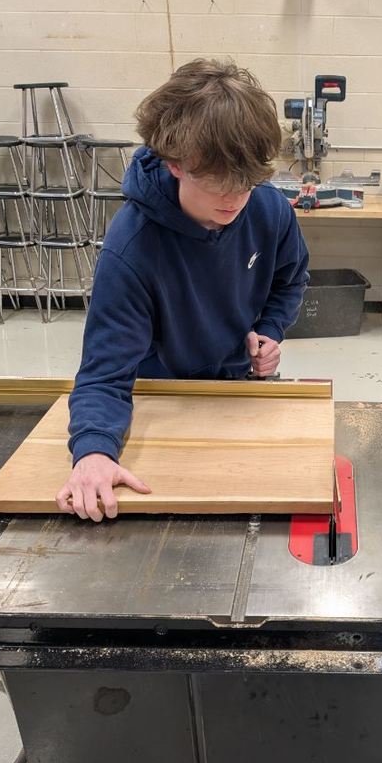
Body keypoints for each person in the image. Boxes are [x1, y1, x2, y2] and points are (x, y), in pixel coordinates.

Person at [56, 59, 309, 522]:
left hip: (239, 390)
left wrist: (269, 329)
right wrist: (93, 451)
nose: (234, 200)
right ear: (175, 164)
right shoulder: (131, 249)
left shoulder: (269, 209)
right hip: (163, 393)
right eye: (217, 185)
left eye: (247, 185)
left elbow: (290, 279)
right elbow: (104, 373)